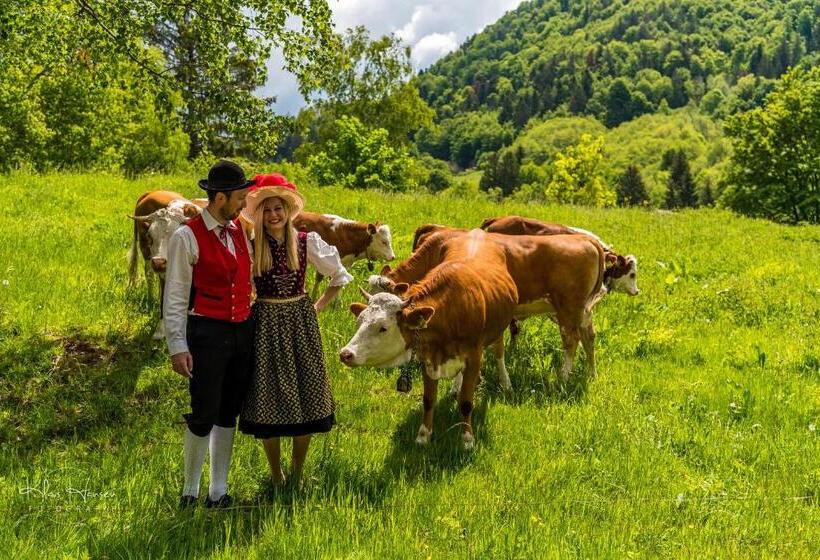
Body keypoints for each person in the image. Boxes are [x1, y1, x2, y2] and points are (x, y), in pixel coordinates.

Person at [239, 173, 352, 487]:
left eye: (279, 209)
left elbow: (339, 277)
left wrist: (315, 308)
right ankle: (276, 475)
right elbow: (240, 286)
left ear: (288, 212)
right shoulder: (251, 247)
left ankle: (297, 472)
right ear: (259, 214)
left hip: (301, 324)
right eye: (267, 210)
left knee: (307, 394)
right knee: (267, 396)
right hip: (265, 324)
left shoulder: (305, 242)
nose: (274, 215)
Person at [163, 159, 255, 508]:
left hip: (241, 331)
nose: (244, 203)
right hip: (207, 331)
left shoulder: (239, 232)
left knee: (227, 411)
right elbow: (174, 296)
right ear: (219, 198)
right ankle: (190, 490)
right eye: (239, 197)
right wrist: (177, 346)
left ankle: (218, 490)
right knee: (203, 412)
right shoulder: (186, 236)